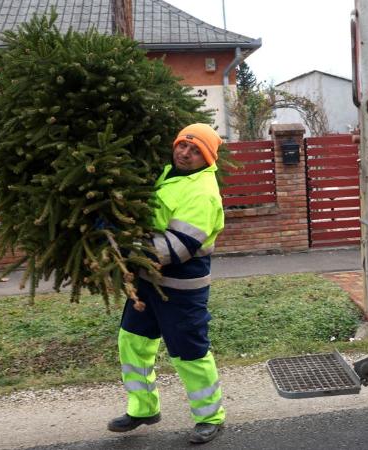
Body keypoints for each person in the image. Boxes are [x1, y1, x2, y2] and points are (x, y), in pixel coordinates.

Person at [107, 123, 226, 444]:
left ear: (208, 158)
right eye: (182, 145)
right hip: (148, 282)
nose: (185, 153)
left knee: (189, 351)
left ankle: (210, 417)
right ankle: (143, 408)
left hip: (181, 285)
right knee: (132, 340)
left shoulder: (202, 192)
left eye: (195, 150)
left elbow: (177, 247)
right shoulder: (169, 173)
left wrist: (125, 247)